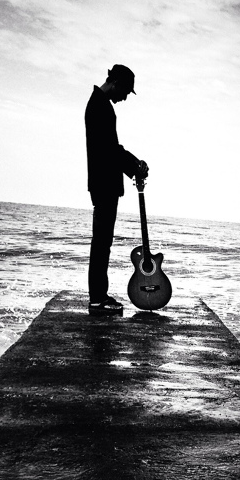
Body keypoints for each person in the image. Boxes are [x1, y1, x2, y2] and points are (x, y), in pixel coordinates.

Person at [84, 64, 149, 316]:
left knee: (103, 242)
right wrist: (134, 165)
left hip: (102, 183)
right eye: (125, 91)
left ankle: (99, 295)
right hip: (104, 184)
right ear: (115, 82)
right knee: (101, 243)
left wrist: (133, 164)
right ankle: (98, 298)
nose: (124, 97)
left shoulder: (99, 104)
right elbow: (111, 150)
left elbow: (112, 148)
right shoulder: (100, 106)